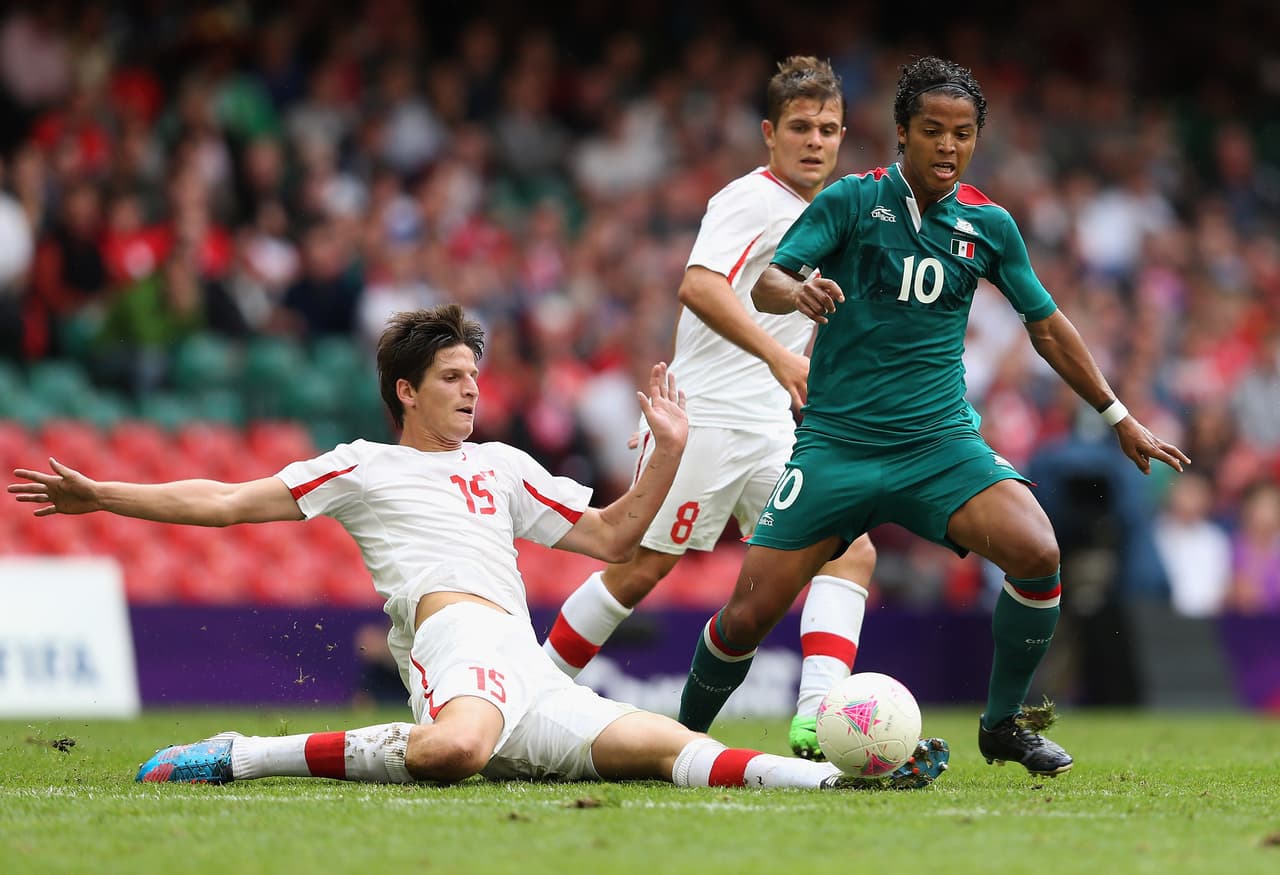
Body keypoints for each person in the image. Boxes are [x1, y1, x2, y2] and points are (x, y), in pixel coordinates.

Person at [9, 304, 948, 790]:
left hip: (527, 666)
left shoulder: (502, 465)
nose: (471, 389)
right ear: (406, 390)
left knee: (668, 747)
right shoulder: (360, 465)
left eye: (475, 374)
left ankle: (839, 773)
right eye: (452, 376)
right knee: (452, 750)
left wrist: (665, 454)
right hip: (453, 645)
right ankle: (244, 752)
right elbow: (220, 501)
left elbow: (618, 533)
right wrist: (104, 494)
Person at [675, 56, 1191, 777]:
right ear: (901, 133)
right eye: (932, 131)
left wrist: (1117, 415)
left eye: (963, 133)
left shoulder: (989, 225)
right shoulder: (851, 202)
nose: (948, 146)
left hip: (939, 445)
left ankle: (1003, 723)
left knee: (1038, 551)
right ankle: (679, 743)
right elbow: (766, 280)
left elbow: (1046, 325)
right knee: (745, 617)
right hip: (836, 446)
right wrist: (797, 294)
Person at [542, 56, 884, 762]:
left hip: (770, 425)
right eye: (799, 127)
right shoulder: (749, 199)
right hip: (703, 416)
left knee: (848, 551)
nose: (814, 141)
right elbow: (699, 286)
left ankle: (819, 716)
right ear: (769, 134)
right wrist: (779, 355)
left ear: (844, 134)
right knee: (638, 567)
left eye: (827, 128)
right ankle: (528, 693)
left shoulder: (832, 217)